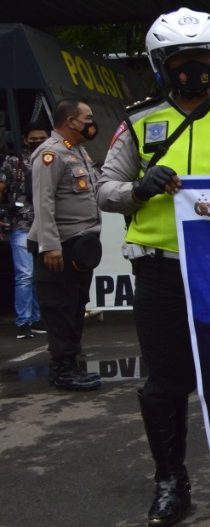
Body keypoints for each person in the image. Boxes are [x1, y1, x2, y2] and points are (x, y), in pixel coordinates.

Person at [96, 7, 210, 527]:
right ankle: (170, 481)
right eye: (180, 61)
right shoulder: (138, 120)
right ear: (161, 65)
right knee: (165, 381)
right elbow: (107, 188)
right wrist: (139, 187)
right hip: (160, 272)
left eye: (201, 60)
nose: (191, 70)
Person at [30, 99, 103, 390]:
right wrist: (50, 245)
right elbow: (43, 202)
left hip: (80, 247)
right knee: (60, 308)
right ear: (71, 121)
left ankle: (71, 365)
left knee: (75, 306)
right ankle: (62, 370)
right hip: (60, 247)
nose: (91, 122)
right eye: (88, 117)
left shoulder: (78, 152)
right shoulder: (50, 154)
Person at [2, 123, 50, 338]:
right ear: (24, 140)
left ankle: (38, 318)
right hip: (21, 225)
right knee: (25, 275)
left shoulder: (54, 159)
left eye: (42, 137)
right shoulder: (14, 162)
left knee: (41, 274)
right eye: (33, 138)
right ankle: (23, 321)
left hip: (47, 226)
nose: (38, 142)